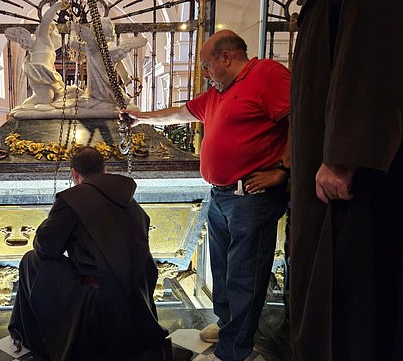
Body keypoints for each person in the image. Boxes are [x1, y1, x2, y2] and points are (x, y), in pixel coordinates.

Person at [119, 30, 290, 361]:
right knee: (224, 273)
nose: (205, 73)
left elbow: (299, 117)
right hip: (221, 197)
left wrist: (284, 170)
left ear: (226, 57)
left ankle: (233, 351)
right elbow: (180, 114)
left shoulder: (266, 74)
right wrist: (140, 117)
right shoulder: (218, 94)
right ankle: (228, 326)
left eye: (207, 65)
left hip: (251, 197)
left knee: (245, 276)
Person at [288, 1, 403, 360]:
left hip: (353, 187)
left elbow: (370, 55)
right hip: (330, 170)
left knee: (349, 301)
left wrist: (342, 156)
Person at [8, 146, 172, 361]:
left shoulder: (73, 198)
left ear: (75, 173)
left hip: (96, 297)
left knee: (31, 260)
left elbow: (46, 247)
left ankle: (38, 337)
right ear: (104, 170)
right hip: (135, 295)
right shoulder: (129, 200)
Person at [5, 0, 67, 110]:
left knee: (40, 99)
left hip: (41, 75)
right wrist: (57, 6)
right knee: (46, 103)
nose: (59, 35)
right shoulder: (43, 38)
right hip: (40, 75)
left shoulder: (45, 46)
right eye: (56, 32)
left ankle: (34, 102)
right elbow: (47, 20)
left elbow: (49, 65)